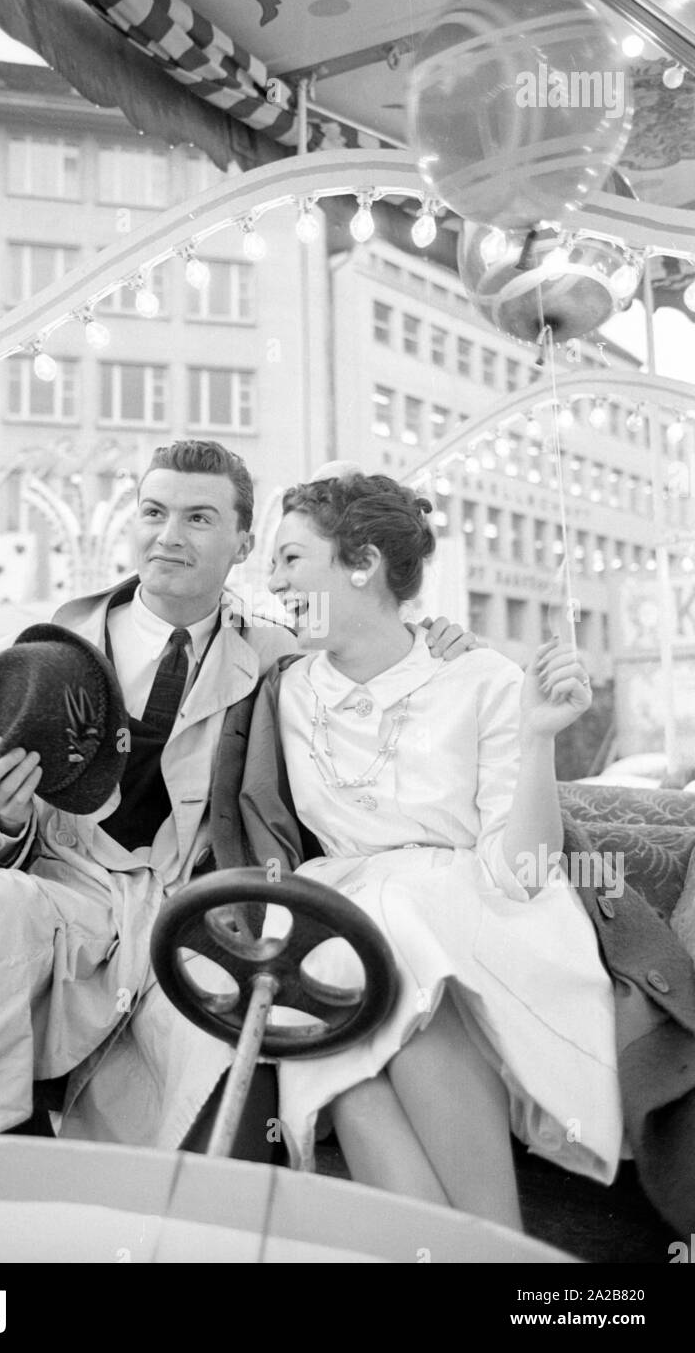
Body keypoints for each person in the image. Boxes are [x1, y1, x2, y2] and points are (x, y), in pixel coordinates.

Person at [0, 441, 477, 1151]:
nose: (168, 535)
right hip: (65, 904)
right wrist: (2, 815)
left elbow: (368, 645)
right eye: (154, 512)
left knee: (228, 1047)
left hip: (199, 914)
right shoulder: (29, 661)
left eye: (198, 518)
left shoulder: (285, 657)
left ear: (244, 542)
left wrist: (430, 642)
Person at [240, 473, 622, 1231]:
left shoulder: (478, 676)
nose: (272, 580)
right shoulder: (281, 684)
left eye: (290, 560)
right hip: (347, 916)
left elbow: (519, 872)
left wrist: (540, 734)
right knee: (343, 1063)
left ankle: (504, 1250)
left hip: (475, 914)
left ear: (364, 562)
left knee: (395, 973)